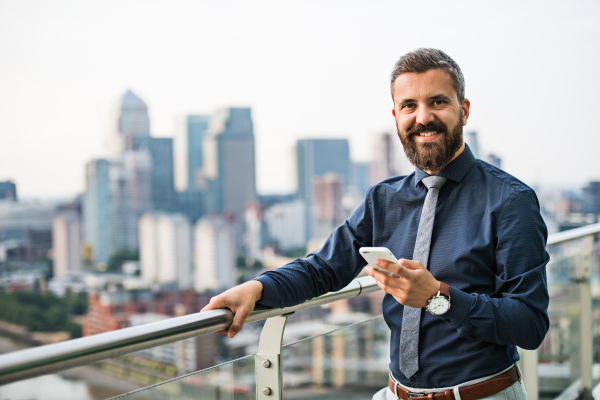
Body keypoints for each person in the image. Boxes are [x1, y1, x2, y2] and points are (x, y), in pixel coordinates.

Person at [202, 48, 549, 400]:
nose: (423, 117)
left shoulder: (510, 201)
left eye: (438, 102)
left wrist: (437, 297)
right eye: (410, 106)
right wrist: (257, 288)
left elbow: (530, 323)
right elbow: (323, 268)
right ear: (396, 115)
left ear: (464, 110)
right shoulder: (382, 200)